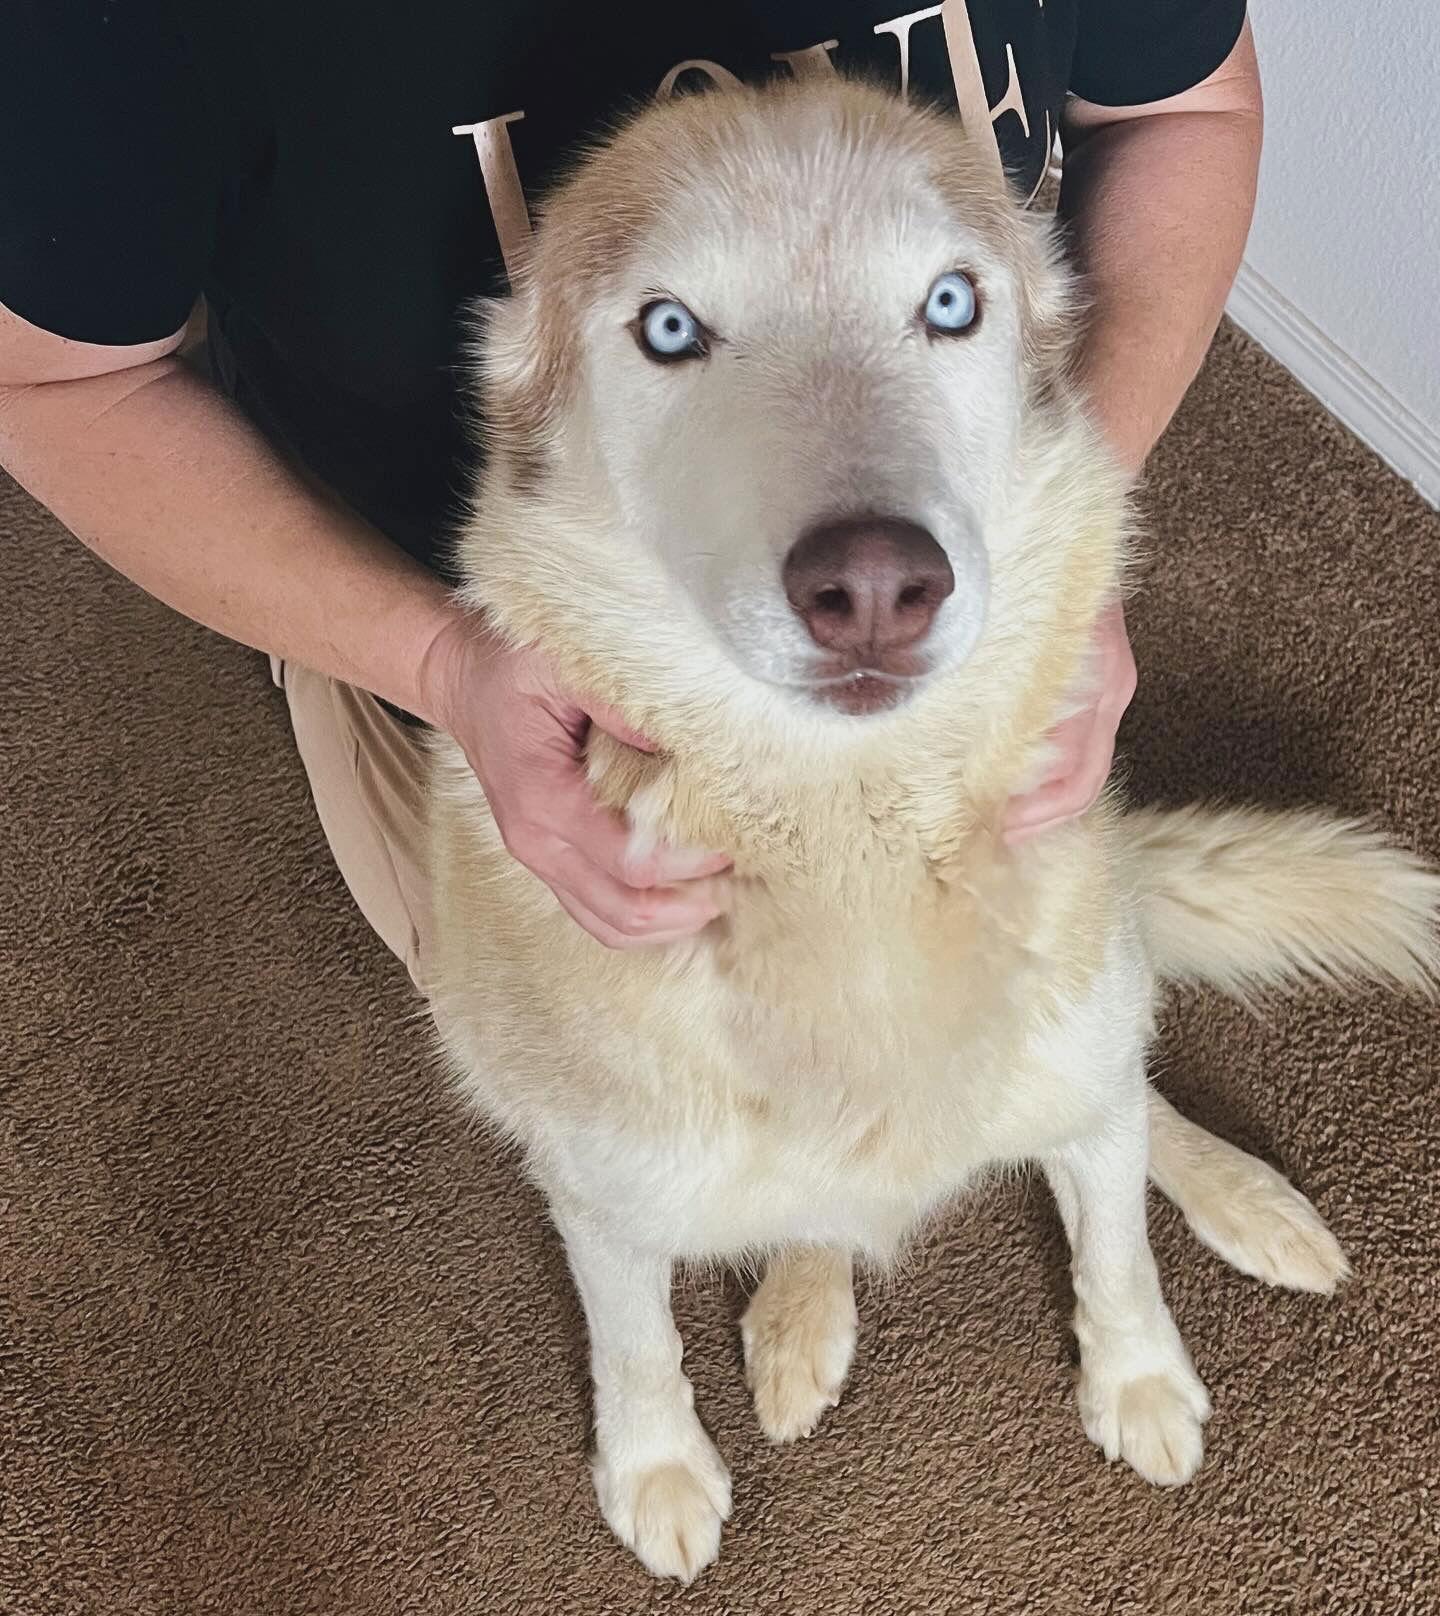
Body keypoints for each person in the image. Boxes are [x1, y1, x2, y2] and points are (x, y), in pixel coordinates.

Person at [0, 2, 1261, 987]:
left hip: (971, 655)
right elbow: (53, 386)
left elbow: (1183, 112)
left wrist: (1066, 534)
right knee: (636, 1123)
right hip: (467, 643)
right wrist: (444, 663)